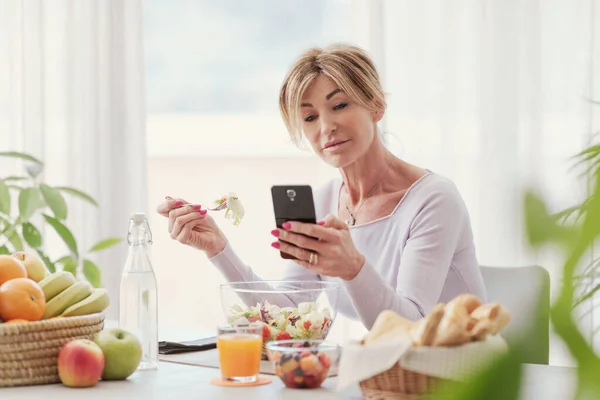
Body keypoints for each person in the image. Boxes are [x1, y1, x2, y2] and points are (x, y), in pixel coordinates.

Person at [156, 43, 487, 329]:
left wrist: (353, 268)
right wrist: (218, 248)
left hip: (464, 376)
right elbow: (287, 312)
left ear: (376, 106)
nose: (326, 127)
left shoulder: (433, 199)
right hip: (394, 376)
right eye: (310, 117)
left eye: (339, 105)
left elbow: (411, 328)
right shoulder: (324, 200)